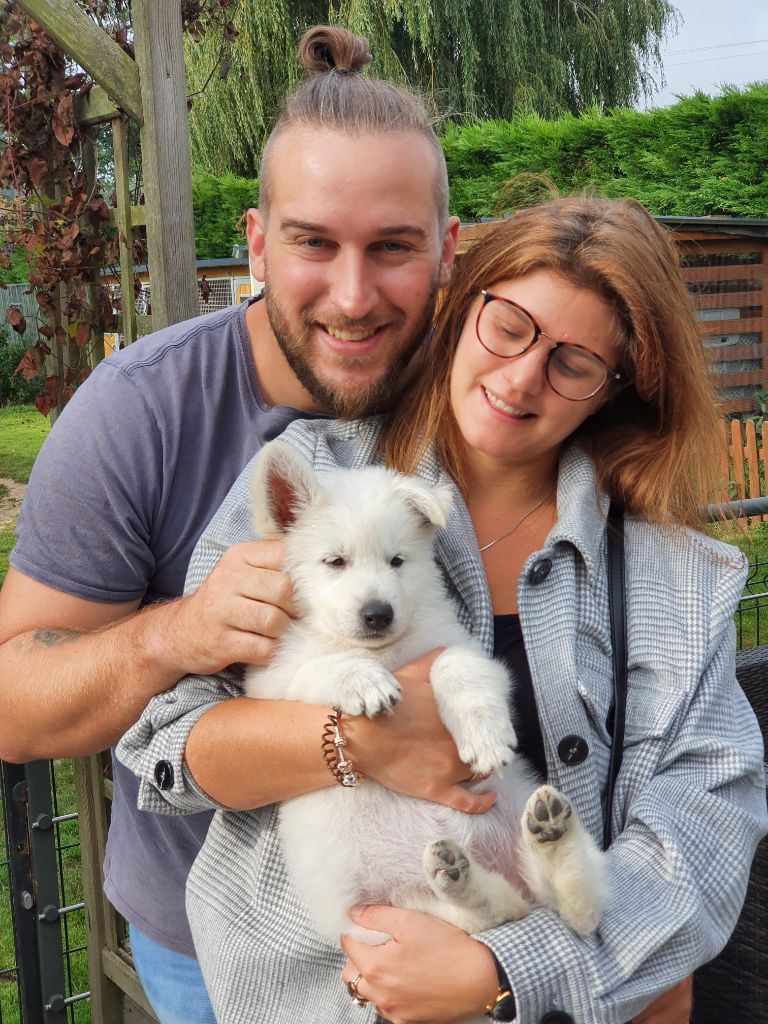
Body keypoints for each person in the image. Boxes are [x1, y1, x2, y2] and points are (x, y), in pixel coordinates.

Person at [118, 193, 766, 1024]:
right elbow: (168, 741)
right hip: (321, 992)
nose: (522, 377)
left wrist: (505, 970)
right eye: (509, 326)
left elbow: (705, 832)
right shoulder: (315, 477)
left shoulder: (675, 578)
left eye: (573, 362)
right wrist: (353, 742)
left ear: (615, 387)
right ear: (463, 310)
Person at [0, 26, 465, 1024]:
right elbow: (13, 701)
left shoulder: (488, 389)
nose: (353, 296)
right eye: (312, 242)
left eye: (392, 246)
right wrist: (174, 632)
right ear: (256, 242)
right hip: (210, 946)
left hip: (455, 911)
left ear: (447, 249)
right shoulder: (141, 411)